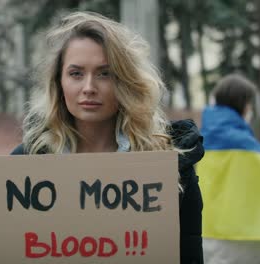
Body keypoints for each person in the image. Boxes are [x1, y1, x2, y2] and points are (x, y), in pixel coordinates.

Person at [10, 11, 204, 264]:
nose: (89, 87)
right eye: (76, 73)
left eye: (105, 73)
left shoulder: (172, 165)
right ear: (59, 82)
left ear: (125, 81)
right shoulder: (23, 167)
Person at [196, 74, 260, 264]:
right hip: (247, 242)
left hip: (203, 237)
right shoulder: (248, 146)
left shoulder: (195, 143)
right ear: (245, 106)